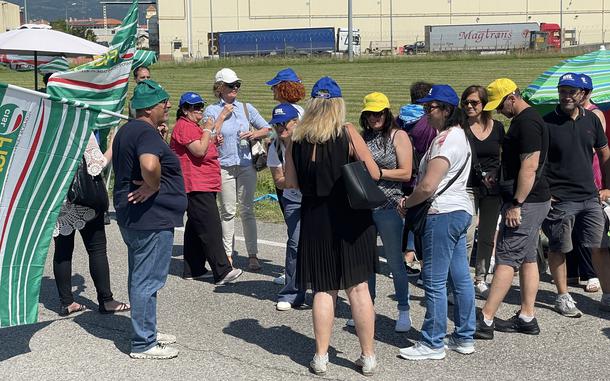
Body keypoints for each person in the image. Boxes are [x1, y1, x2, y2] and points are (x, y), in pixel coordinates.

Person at [284, 77, 379, 376]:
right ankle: (368, 356)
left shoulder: (296, 138)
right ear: (338, 104)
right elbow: (373, 173)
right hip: (351, 216)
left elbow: (291, 183)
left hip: (315, 217)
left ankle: (321, 356)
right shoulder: (347, 133)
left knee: (324, 290)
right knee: (358, 288)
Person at [397, 85, 475, 360]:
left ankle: (432, 342)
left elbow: (428, 185)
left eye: (431, 107)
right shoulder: (459, 136)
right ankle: (464, 335)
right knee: (460, 277)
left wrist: (407, 203)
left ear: (447, 110)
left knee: (434, 279)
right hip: (459, 210)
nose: (426, 111)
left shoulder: (444, 140)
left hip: (442, 213)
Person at [113, 80, 187, 359]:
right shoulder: (145, 133)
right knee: (147, 281)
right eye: (163, 102)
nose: (168, 106)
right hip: (150, 218)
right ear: (148, 108)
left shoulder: (128, 130)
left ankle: (147, 330)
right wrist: (153, 185)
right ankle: (143, 343)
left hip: (133, 216)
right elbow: (149, 164)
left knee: (140, 277)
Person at [474, 78, 550, 340]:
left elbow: (530, 166)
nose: (497, 112)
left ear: (511, 97)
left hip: (526, 201)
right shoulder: (525, 120)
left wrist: (516, 203)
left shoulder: (527, 123)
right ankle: (527, 317)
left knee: (506, 258)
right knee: (528, 257)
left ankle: (485, 319)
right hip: (534, 198)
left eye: (499, 105)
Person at [541, 73, 610, 317]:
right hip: (561, 198)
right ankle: (562, 296)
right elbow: (538, 161)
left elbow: (604, 153)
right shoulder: (547, 122)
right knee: (559, 247)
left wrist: (607, 186)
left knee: (600, 246)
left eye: (572, 91)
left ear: (583, 94)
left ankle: (608, 295)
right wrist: (546, 193)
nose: (566, 96)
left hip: (590, 196)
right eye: (563, 90)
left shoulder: (591, 119)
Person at [170, 91, 243, 285]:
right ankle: (222, 270)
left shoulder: (192, 126)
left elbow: (204, 143)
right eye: (194, 107)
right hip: (196, 184)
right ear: (185, 110)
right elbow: (199, 150)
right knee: (211, 227)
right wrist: (208, 130)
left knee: (196, 226)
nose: (199, 110)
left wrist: (211, 137)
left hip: (204, 182)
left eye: (201, 105)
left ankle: (193, 268)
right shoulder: (183, 126)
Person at [53, 133, 129, 316]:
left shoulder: (48, 128)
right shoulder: (80, 128)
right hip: (83, 200)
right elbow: (97, 165)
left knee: (62, 250)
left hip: (58, 199)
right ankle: (106, 300)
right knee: (97, 249)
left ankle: (66, 302)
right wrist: (112, 144)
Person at [204, 68, 271, 271]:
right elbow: (207, 135)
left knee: (248, 210)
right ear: (220, 88)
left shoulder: (246, 108)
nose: (235, 89)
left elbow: (267, 128)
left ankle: (253, 254)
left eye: (237, 85)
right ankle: (227, 255)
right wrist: (222, 119)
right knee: (228, 211)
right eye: (231, 85)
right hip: (224, 165)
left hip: (246, 165)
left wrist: (254, 133)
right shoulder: (211, 110)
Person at [360, 92, 413, 332]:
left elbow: (406, 173)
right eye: (370, 114)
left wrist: (378, 173)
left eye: (379, 113)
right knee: (366, 264)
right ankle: (366, 308)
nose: (374, 118)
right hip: (365, 206)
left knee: (394, 262)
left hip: (389, 205)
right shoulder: (364, 137)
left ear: (387, 112)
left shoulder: (398, 136)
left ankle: (404, 309)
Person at [460, 85, 504, 298]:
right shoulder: (460, 127)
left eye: (474, 102)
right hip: (468, 185)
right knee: (467, 234)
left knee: (487, 236)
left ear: (484, 104)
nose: (469, 106)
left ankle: (481, 278)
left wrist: (496, 172)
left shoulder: (498, 127)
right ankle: (462, 280)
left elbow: (503, 156)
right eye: (466, 102)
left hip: (492, 188)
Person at [266, 68, 307, 285]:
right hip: (292, 176)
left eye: (275, 86)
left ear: (283, 87)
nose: (272, 90)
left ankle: (295, 273)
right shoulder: (301, 109)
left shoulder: (289, 112)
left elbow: (283, 138)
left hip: (291, 180)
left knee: (295, 233)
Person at [565, 73, 604, 293]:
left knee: (588, 229)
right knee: (570, 227)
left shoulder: (594, 114)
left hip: (591, 175)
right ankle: (572, 271)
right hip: (571, 179)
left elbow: (595, 147)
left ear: (585, 93)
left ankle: (591, 273)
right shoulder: (568, 115)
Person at [396, 81, 437, 275]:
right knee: (420, 220)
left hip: (401, 175)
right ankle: (422, 264)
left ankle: (405, 256)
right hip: (420, 177)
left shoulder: (398, 119)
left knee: (404, 217)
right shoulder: (428, 123)